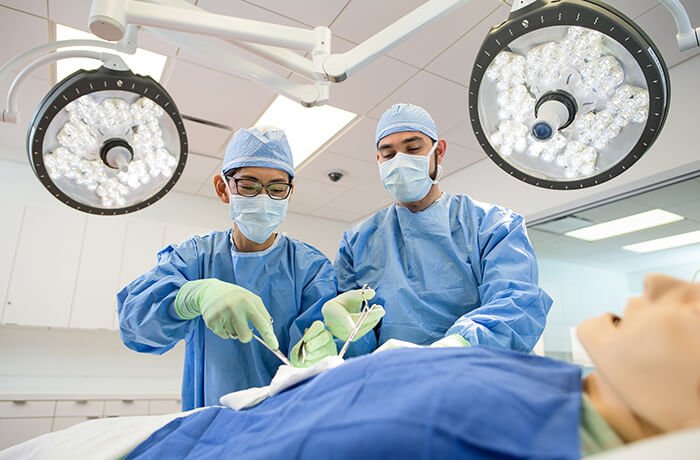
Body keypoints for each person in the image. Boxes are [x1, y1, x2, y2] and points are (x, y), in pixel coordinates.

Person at [123, 274, 700, 459]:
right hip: (244, 409)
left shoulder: (475, 426)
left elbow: (516, 300)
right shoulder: (565, 386)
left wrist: (454, 347)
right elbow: (320, 364)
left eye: (696, 300)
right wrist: (324, 351)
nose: (661, 282)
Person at [117, 127, 377, 411]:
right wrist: (191, 296)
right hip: (213, 419)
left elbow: (335, 363)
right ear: (223, 188)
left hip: (287, 418)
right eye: (249, 185)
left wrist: (324, 347)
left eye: (277, 188)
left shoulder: (310, 267)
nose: (263, 198)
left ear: (289, 193)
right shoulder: (195, 258)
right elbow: (134, 327)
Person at [330, 103, 552, 351]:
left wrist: (457, 345)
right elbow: (351, 330)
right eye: (389, 154)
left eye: (413, 148)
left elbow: (516, 303)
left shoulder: (492, 226)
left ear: (439, 151)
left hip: (472, 374)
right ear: (378, 160)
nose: (401, 161)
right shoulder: (357, 242)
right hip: (391, 378)